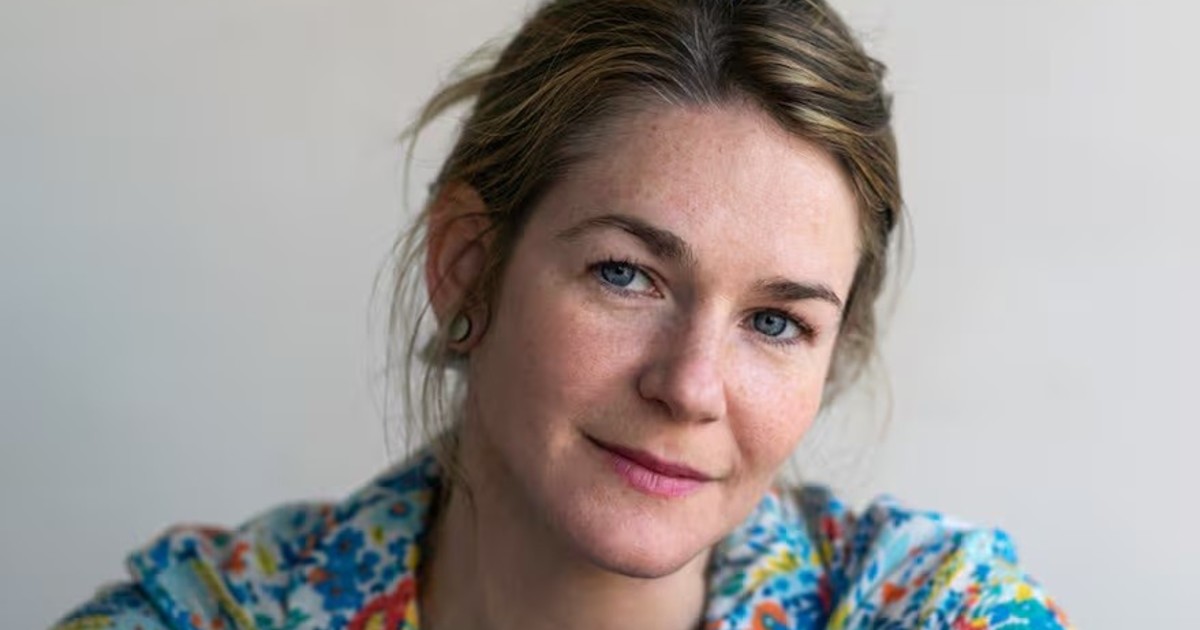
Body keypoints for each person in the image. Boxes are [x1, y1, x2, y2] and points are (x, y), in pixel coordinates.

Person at [54, 1, 1072, 629]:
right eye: (627, 274)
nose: (689, 387)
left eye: (775, 323)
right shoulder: (205, 617)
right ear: (467, 267)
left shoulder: (938, 610)